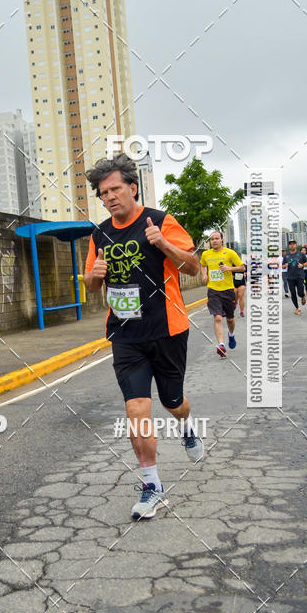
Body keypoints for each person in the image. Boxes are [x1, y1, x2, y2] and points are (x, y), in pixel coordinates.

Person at [83, 154, 203, 522]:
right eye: (103, 193)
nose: (110, 197)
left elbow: (193, 265)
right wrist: (95, 275)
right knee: (136, 409)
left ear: (132, 188)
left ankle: (186, 425)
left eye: (115, 189)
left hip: (166, 329)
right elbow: (89, 285)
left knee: (173, 402)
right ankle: (152, 486)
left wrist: (162, 244)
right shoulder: (99, 233)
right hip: (126, 334)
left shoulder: (161, 221)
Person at [200, 232, 246, 358]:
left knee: (230, 319)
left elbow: (242, 267)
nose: (214, 241)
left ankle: (231, 335)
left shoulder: (230, 253)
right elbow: (203, 265)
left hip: (228, 290)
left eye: (216, 238)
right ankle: (221, 345)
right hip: (213, 290)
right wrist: (204, 274)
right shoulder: (205, 254)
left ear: (222, 240)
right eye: (212, 239)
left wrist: (229, 269)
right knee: (218, 318)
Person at [282, 240, 307, 314]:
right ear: (289, 246)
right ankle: (297, 308)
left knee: (300, 292)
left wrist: (302, 265)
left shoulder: (301, 254)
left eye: (293, 244)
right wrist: (285, 266)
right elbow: (282, 266)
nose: (292, 245)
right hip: (290, 277)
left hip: (299, 276)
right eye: (290, 244)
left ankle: (302, 297)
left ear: (296, 245)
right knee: (293, 293)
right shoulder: (286, 256)